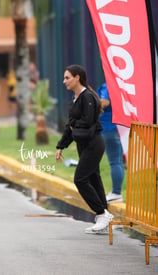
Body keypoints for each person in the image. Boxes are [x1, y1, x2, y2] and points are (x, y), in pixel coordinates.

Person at [55, 64, 113, 234]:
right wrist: (61, 145)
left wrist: (74, 126)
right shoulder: (76, 98)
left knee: (80, 179)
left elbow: (88, 122)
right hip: (85, 144)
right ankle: (104, 216)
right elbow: (70, 125)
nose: (64, 81)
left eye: (67, 77)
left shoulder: (87, 97)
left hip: (93, 143)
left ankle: (102, 213)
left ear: (77, 77)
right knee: (94, 178)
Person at [97, 83, 124, 202]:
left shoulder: (109, 85)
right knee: (117, 161)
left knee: (114, 161)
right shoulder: (121, 84)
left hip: (109, 127)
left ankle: (116, 192)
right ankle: (116, 192)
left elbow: (105, 102)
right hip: (118, 127)